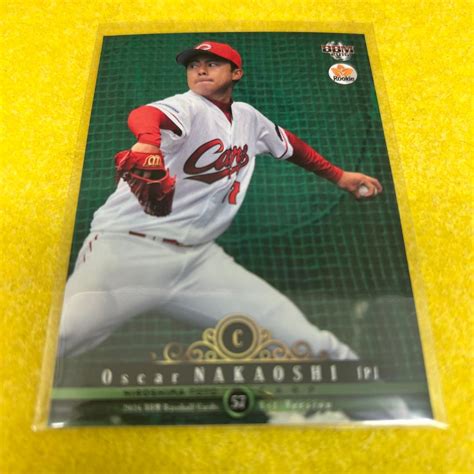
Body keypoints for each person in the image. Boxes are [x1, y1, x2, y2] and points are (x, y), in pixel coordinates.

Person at [57, 41, 383, 361]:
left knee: (304, 341)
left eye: (211, 63)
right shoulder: (188, 107)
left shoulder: (248, 117)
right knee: (62, 336)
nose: (200, 69)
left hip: (199, 260)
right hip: (126, 253)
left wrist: (339, 176)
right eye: (193, 65)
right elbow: (146, 114)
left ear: (236, 72)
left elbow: (290, 144)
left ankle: (373, 392)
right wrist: (148, 141)